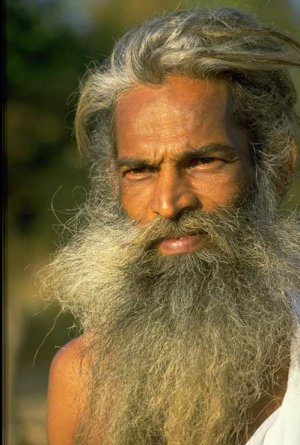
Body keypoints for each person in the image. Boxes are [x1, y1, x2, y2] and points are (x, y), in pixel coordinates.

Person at [44, 7, 300, 445]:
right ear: (113, 183)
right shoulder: (81, 382)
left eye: (204, 161)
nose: (168, 203)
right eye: (140, 171)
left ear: (275, 168)